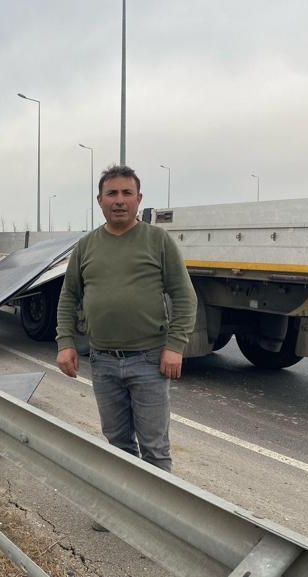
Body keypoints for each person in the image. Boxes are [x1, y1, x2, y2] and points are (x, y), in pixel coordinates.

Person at [56, 164, 197, 477]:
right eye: (112, 193)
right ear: (100, 200)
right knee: (118, 443)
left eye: (126, 193)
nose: (119, 200)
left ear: (138, 199)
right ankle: (123, 511)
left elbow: (185, 296)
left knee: (155, 448)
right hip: (103, 360)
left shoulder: (158, 241)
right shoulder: (86, 246)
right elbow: (69, 297)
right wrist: (65, 343)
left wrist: (175, 346)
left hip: (148, 360)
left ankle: (159, 520)